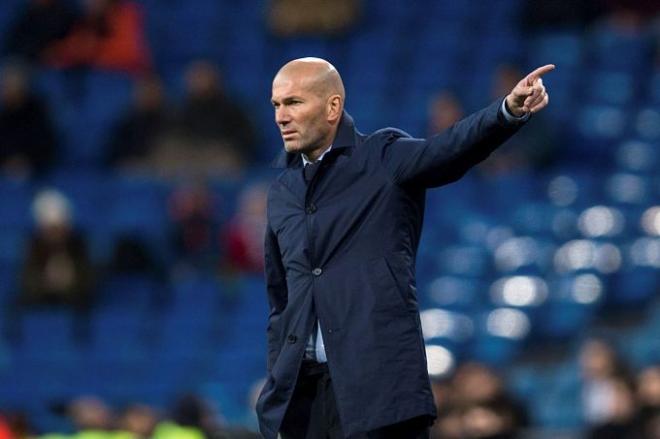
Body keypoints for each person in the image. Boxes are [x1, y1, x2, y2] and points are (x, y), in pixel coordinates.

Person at [255, 57, 553, 438]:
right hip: (307, 401)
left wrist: (506, 112)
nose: (281, 116)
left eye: (293, 102)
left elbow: (449, 149)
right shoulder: (282, 192)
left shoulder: (382, 157)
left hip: (379, 391)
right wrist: (279, 384)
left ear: (332, 107)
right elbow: (281, 300)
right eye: (276, 105)